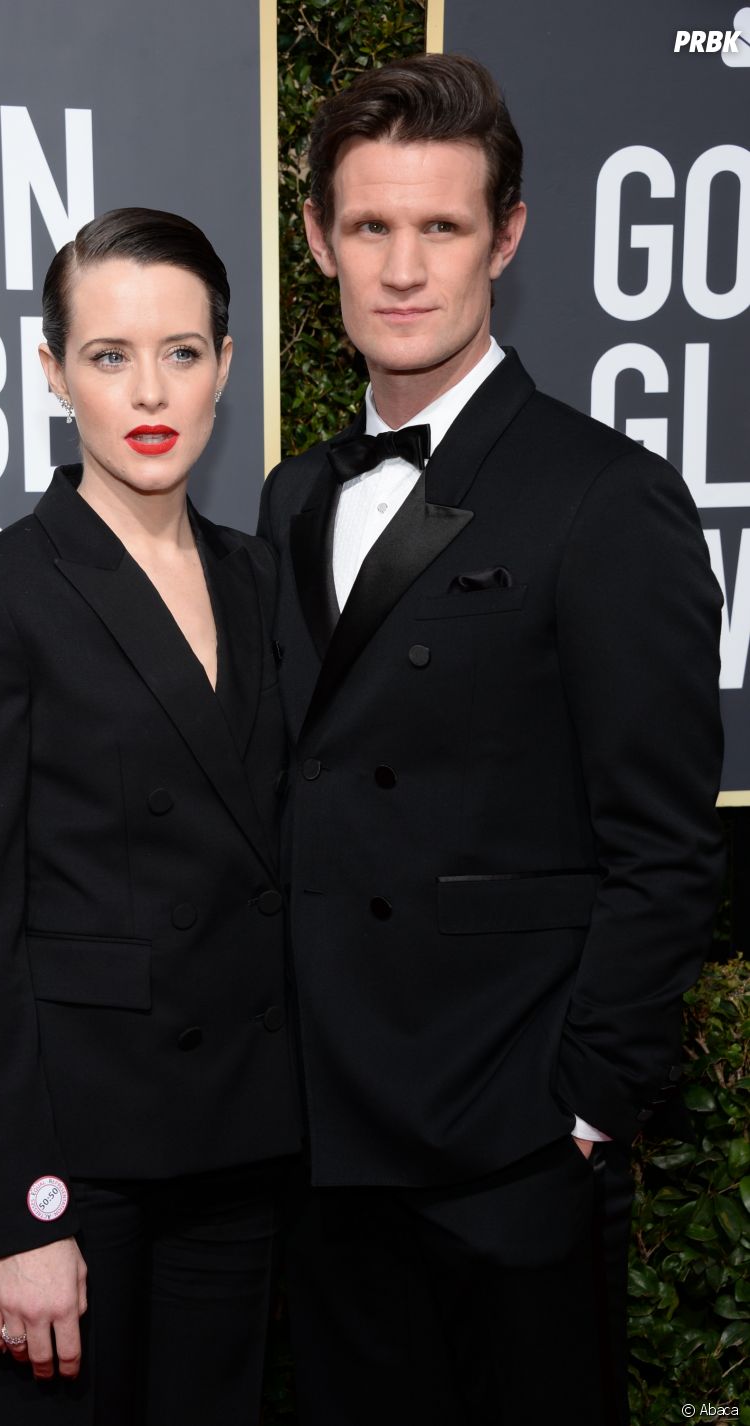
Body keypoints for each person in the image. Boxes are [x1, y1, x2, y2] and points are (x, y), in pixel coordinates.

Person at [257, 53, 724, 1425]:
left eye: (441, 227)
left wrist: (581, 1110)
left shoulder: (603, 497)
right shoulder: (292, 495)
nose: (402, 269)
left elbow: (664, 846)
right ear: (318, 240)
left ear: (503, 238)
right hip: (326, 1144)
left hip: (507, 1149)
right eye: (369, 227)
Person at [0, 207, 300, 1425]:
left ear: (226, 367)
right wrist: (21, 1209)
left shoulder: (267, 578)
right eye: (109, 354)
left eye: (181, 352)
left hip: (246, 1148)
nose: (149, 389)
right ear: (51, 370)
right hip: (78, 1166)